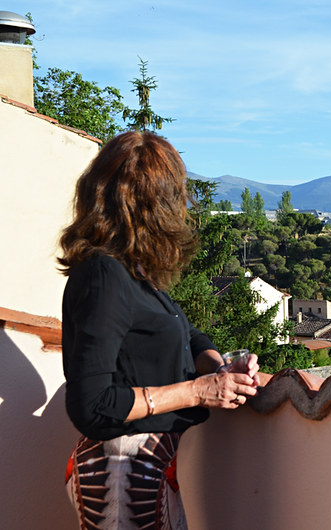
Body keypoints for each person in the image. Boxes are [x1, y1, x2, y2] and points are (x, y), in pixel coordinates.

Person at [59, 131, 258, 529]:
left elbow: (187, 334)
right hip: (120, 474)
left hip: (145, 468)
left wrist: (219, 368)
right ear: (156, 203)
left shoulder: (133, 275)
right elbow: (91, 405)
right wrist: (198, 392)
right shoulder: (104, 276)